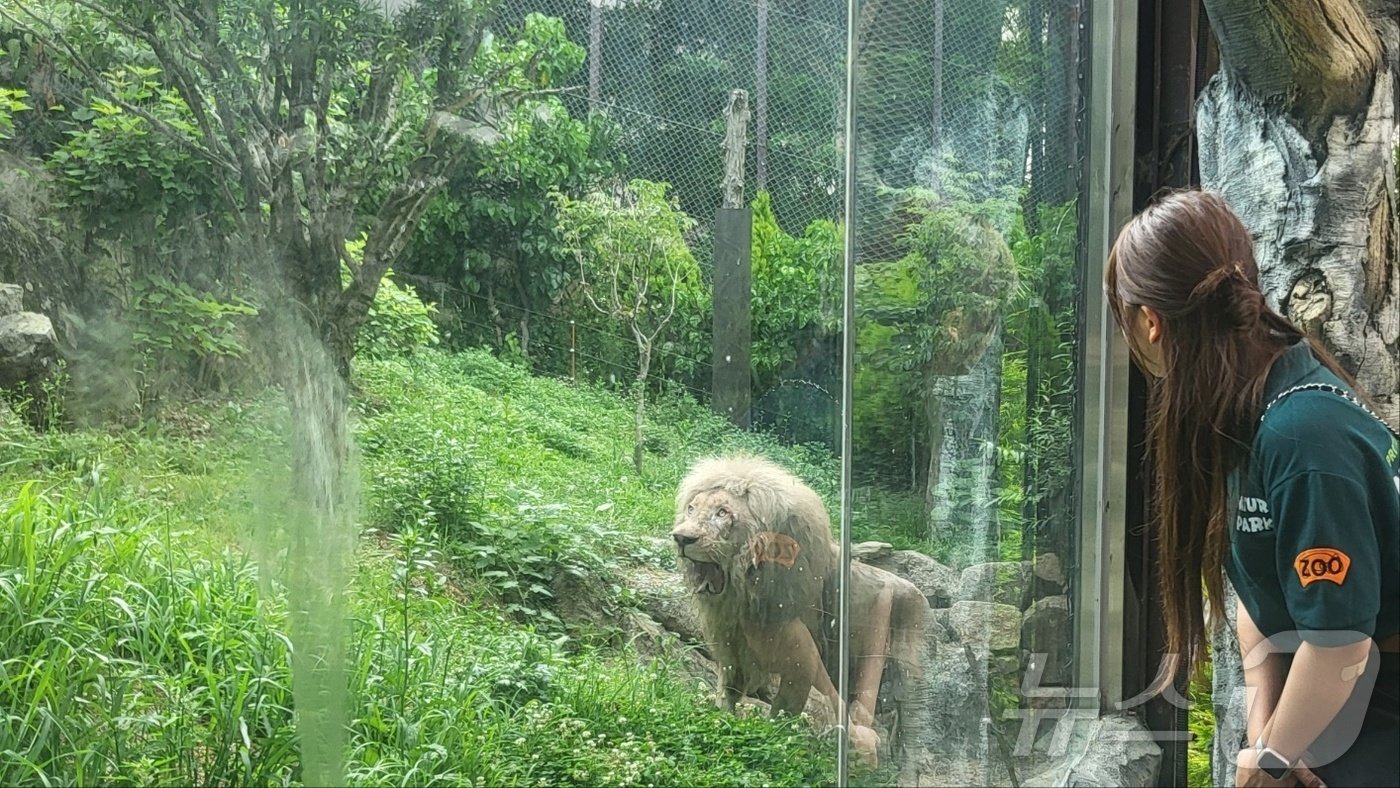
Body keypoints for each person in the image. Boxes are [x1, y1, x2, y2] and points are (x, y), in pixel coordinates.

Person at [1105, 189, 1400, 788]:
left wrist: (1270, 761)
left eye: (1122, 318)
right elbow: (1256, 585)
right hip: (1334, 690)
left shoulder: (1303, 436)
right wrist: (1268, 733)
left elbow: (1342, 645)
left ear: (1150, 322)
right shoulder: (1245, 410)